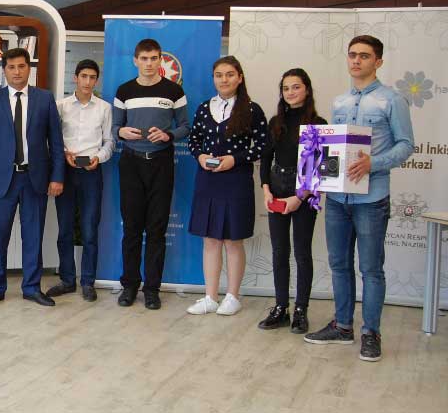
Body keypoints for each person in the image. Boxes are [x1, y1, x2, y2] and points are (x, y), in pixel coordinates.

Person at [304, 35, 413, 363]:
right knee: (338, 264)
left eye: (364, 56)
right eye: (352, 55)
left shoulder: (391, 100)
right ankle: (342, 326)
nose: (356, 60)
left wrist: (373, 163)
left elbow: (406, 145)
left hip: (372, 197)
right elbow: (333, 148)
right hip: (338, 198)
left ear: (378, 62)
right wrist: (318, 175)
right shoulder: (339, 102)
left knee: (371, 269)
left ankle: (371, 333)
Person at [0, 47, 65, 308]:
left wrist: (57, 176)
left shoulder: (44, 99)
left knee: (33, 236)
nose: (17, 72)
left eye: (21, 66)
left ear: (29, 68)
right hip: (0, 181)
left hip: (34, 179)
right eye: (11, 67)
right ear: (4, 70)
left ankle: (32, 288)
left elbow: (56, 143)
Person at [111, 39, 190, 310]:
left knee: (157, 229)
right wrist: (121, 132)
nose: (149, 63)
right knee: (132, 228)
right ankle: (129, 286)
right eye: (144, 58)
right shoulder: (124, 91)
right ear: (135, 60)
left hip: (161, 163)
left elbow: (185, 126)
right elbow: (114, 127)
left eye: (154, 58)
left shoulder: (173, 90)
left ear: (160, 60)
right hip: (131, 163)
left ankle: (152, 289)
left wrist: (168, 135)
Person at [186, 56, 267, 316]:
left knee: (233, 240)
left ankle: (232, 296)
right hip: (208, 180)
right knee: (210, 239)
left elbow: (263, 146)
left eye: (230, 74)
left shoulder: (252, 109)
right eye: (219, 75)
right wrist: (200, 156)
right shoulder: (203, 108)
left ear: (239, 78)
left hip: (236, 181)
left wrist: (235, 159)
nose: (224, 79)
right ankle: (210, 297)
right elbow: (193, 140)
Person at [258, 68, 326, 333]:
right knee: (279, 251)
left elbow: (319, 167)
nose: (290, 92)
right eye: (286, 88)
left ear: (306, 89)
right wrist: (266, 190)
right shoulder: (276, 122)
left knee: (301, 252)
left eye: (296, 87)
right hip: (277, 188)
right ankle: (281, 307)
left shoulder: (318, 124)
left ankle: (300, 310)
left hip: (305, 193)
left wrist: (299, 197)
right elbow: (266, 159)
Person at [47, 59, 113, 302]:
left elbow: (109, 141)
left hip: (92, 172)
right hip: (65, 171)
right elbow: (51, 139)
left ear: (96, 80)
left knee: (89, 229)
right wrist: (64, 154)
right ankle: (67, 280)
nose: (87, 81)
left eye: (92, 77)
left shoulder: (104, 108)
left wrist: (98, 158)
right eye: (83, 76)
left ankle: (87, 282)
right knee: (65, 228)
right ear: (75, 78)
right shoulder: (60, 106)